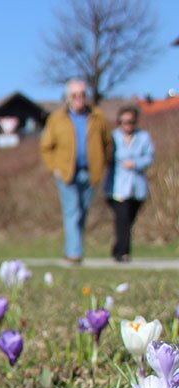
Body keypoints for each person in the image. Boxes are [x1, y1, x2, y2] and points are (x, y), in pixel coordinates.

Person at [40, 79, 113, 264]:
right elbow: (46, 147)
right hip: (66, 173)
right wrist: (54, 167)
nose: (79, 99)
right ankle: (75, 253)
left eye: (82, 95)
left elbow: (108, 143)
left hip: (91, 172)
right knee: (72, 210)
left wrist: (103, 163)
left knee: (83, 211)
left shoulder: (98, 117)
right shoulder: (57, 119)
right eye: (75, 95)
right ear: (68, 98)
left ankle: (73, 248)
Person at [105, 105, 155, 262]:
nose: (128, 125)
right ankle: (123, 253)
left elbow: (149, 157)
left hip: (137, 186)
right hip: (117, 186)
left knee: (129, 220)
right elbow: (104, 155)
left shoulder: (144, 137)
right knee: (122, 219)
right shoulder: (113, 137)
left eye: (131, 122)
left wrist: (135, 163)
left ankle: (117, 249)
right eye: (124, 122)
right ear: (119, 122)